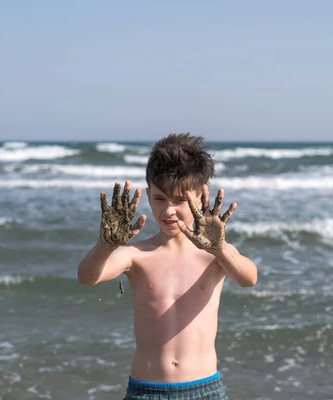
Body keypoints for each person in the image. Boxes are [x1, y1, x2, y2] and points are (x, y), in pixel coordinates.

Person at [77, 133, 258, 400]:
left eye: (180, 200)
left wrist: (219, 249)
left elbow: (248, 278)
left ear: (200, 196)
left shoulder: (214, 253)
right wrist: (105, 244)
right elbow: (87, 277)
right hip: (146, 391)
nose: (169, 210)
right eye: (160, 199)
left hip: (204, 389)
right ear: (149, 196)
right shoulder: (137, 255)